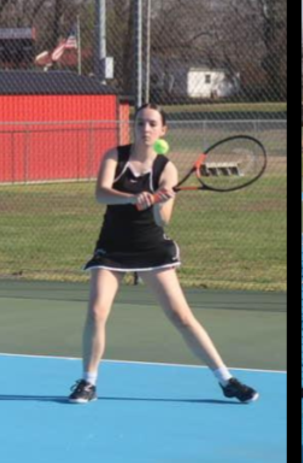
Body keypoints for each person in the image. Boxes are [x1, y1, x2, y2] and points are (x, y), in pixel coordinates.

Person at [69, 104, 259, 406]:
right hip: (113, 248)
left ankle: (227, 380)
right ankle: (88, 383)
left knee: (181, 317)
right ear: (134, 126)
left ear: (163, 130)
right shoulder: (115, 156)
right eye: (140, 123)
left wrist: (160, 202)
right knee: (96, 312)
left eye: (152, 124)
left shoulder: (166, 169)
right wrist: (133, 197)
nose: (145, 129)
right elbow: (101, 193)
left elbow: (163, 220)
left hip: (151, 248)